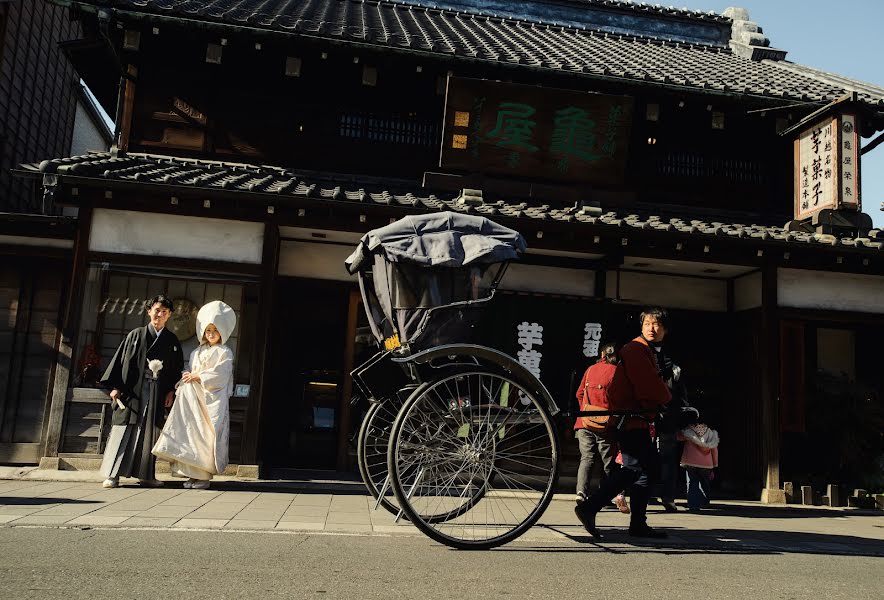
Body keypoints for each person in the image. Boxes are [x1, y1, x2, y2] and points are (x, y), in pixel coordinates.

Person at [574, 307, 672, 539]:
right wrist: (668, 399)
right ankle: (591, 506)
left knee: (644, 469)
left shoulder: (646, 351)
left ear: (665, 330)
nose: (652, 328)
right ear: (641, 327)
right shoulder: (637, 349)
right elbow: (646, 383)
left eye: (657, 324)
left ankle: (637, 523)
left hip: (636, 418)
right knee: (635, 469)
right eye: (647, 323)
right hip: (631, 419)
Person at [99, 295, 184, 488]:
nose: (159, 314)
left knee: (149, 433)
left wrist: (171, 390)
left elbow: (176, 368)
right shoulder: (136, 335)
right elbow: (122, 361)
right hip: (132, 390)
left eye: (164, 311)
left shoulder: (171, 340)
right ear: (149, 311)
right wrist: (116, 387)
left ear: (169, 315)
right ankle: (113, 475)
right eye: (156, 310)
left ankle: (146, 475)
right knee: (123, 428)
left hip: (157, 390)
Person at [152, 300, 236, 490]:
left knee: (204, 435)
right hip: (192, 400)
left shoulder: (225, 352)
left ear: (222, 332)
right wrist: (187, 376)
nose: (211, 334)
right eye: (208, 330)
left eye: (215, 330)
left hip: (210, 400)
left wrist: (198, 376)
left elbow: (221, 375)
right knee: (189, 433)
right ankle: (190, 474)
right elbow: (189, 369)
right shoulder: (197, 351)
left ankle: (203, 476)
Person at [573, 343, 618, 505]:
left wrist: (586, 410)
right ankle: (605, 495)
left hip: (584, 422)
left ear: (601, 354)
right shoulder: (616, 372)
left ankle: (581, 492)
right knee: (608, 462)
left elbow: (579, 394)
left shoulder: (590, 369)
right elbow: (618, 399)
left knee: (587, 458)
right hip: (605, 424)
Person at [677, 422, 719, 511]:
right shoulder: (710, 433)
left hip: (690, 462)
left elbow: (678, 438)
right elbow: (714, 450)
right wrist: (714, 464)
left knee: (692, 483)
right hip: (706, 464)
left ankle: (693, 505)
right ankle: (705, 501)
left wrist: (681, 430)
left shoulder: (688, 432)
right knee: (705, 483)